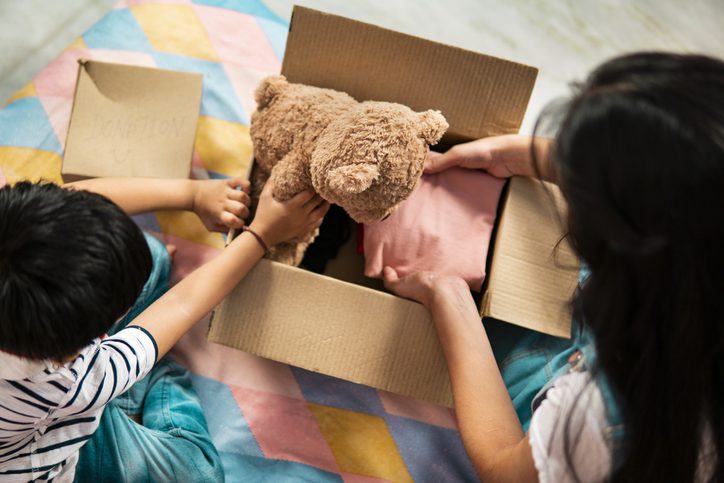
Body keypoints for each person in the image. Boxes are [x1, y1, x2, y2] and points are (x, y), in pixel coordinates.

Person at [384, 52, 724, 482]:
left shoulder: (609, 417)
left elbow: (506, 470)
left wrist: (450, 301)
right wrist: (526, 155)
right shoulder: (696, 259)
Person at [0, 176, 329, 481]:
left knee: (151, 258)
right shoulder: (69, 382)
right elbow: (181, 305)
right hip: (46, 446)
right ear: (74, 350)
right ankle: (155, 376)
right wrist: (262, 235)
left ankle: (131, 378)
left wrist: (193, 194)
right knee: (197, 471)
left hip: (43, 400)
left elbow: (69, 203)